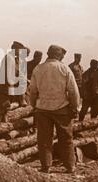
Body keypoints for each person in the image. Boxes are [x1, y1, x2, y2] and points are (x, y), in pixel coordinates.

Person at [30, 45, 80, 174]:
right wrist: (75, 107)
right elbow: (73, 91)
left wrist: (34, 105)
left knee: (44, 139)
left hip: (42, 108)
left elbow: (33, 91)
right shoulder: (64, 68)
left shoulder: (38, 68)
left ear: (48, 54)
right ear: (58, 55)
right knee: (66, 139)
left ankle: (46, 166)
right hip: (61, 108)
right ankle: (70, 166)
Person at [0, 41, 30, 122]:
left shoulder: (14, 58)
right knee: (2, 106)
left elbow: (18, 72)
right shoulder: (9, 58)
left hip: (7, 86)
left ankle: (2, 122)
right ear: (14, 49)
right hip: (4, 86)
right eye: (19, 50)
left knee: (6, 106)